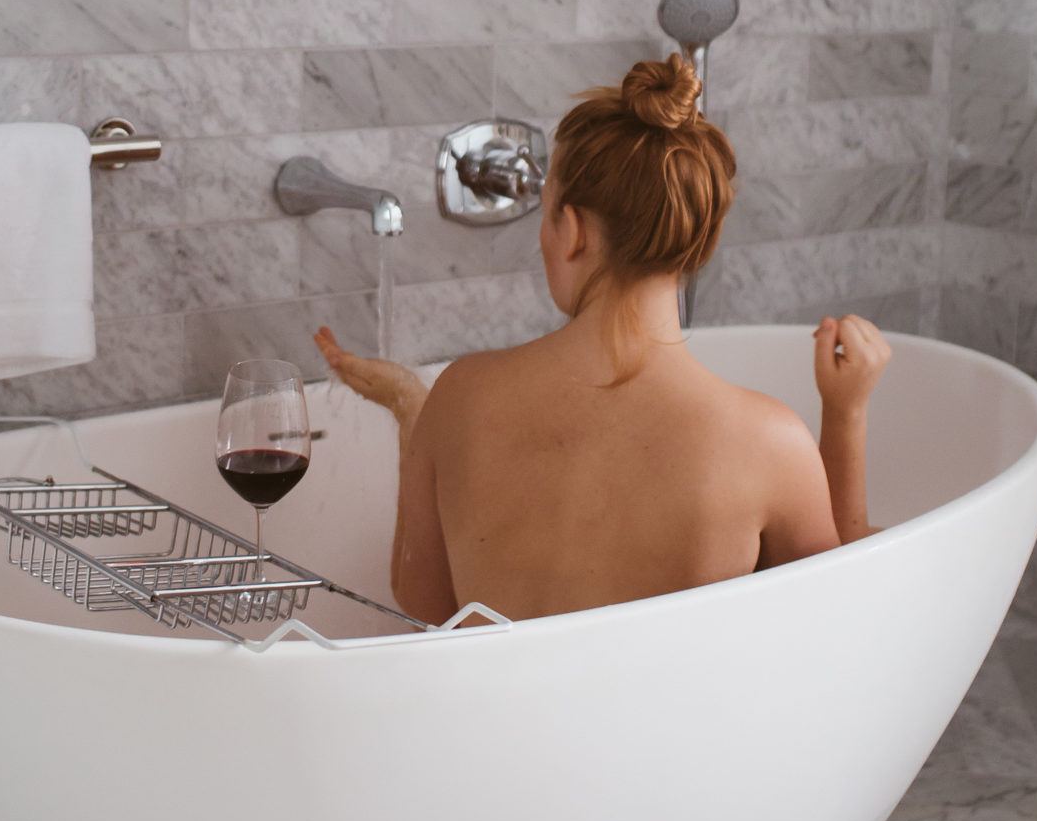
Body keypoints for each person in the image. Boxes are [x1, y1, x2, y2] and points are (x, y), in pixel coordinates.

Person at [314, 54, 891, 625]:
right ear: (697, 238)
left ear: (572, 231)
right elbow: (835, 617)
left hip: (496, 720)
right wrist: (847, 413)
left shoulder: (462, 395)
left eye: (545, 215)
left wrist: (412, 409)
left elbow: (427, 604)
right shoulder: (768, 443)